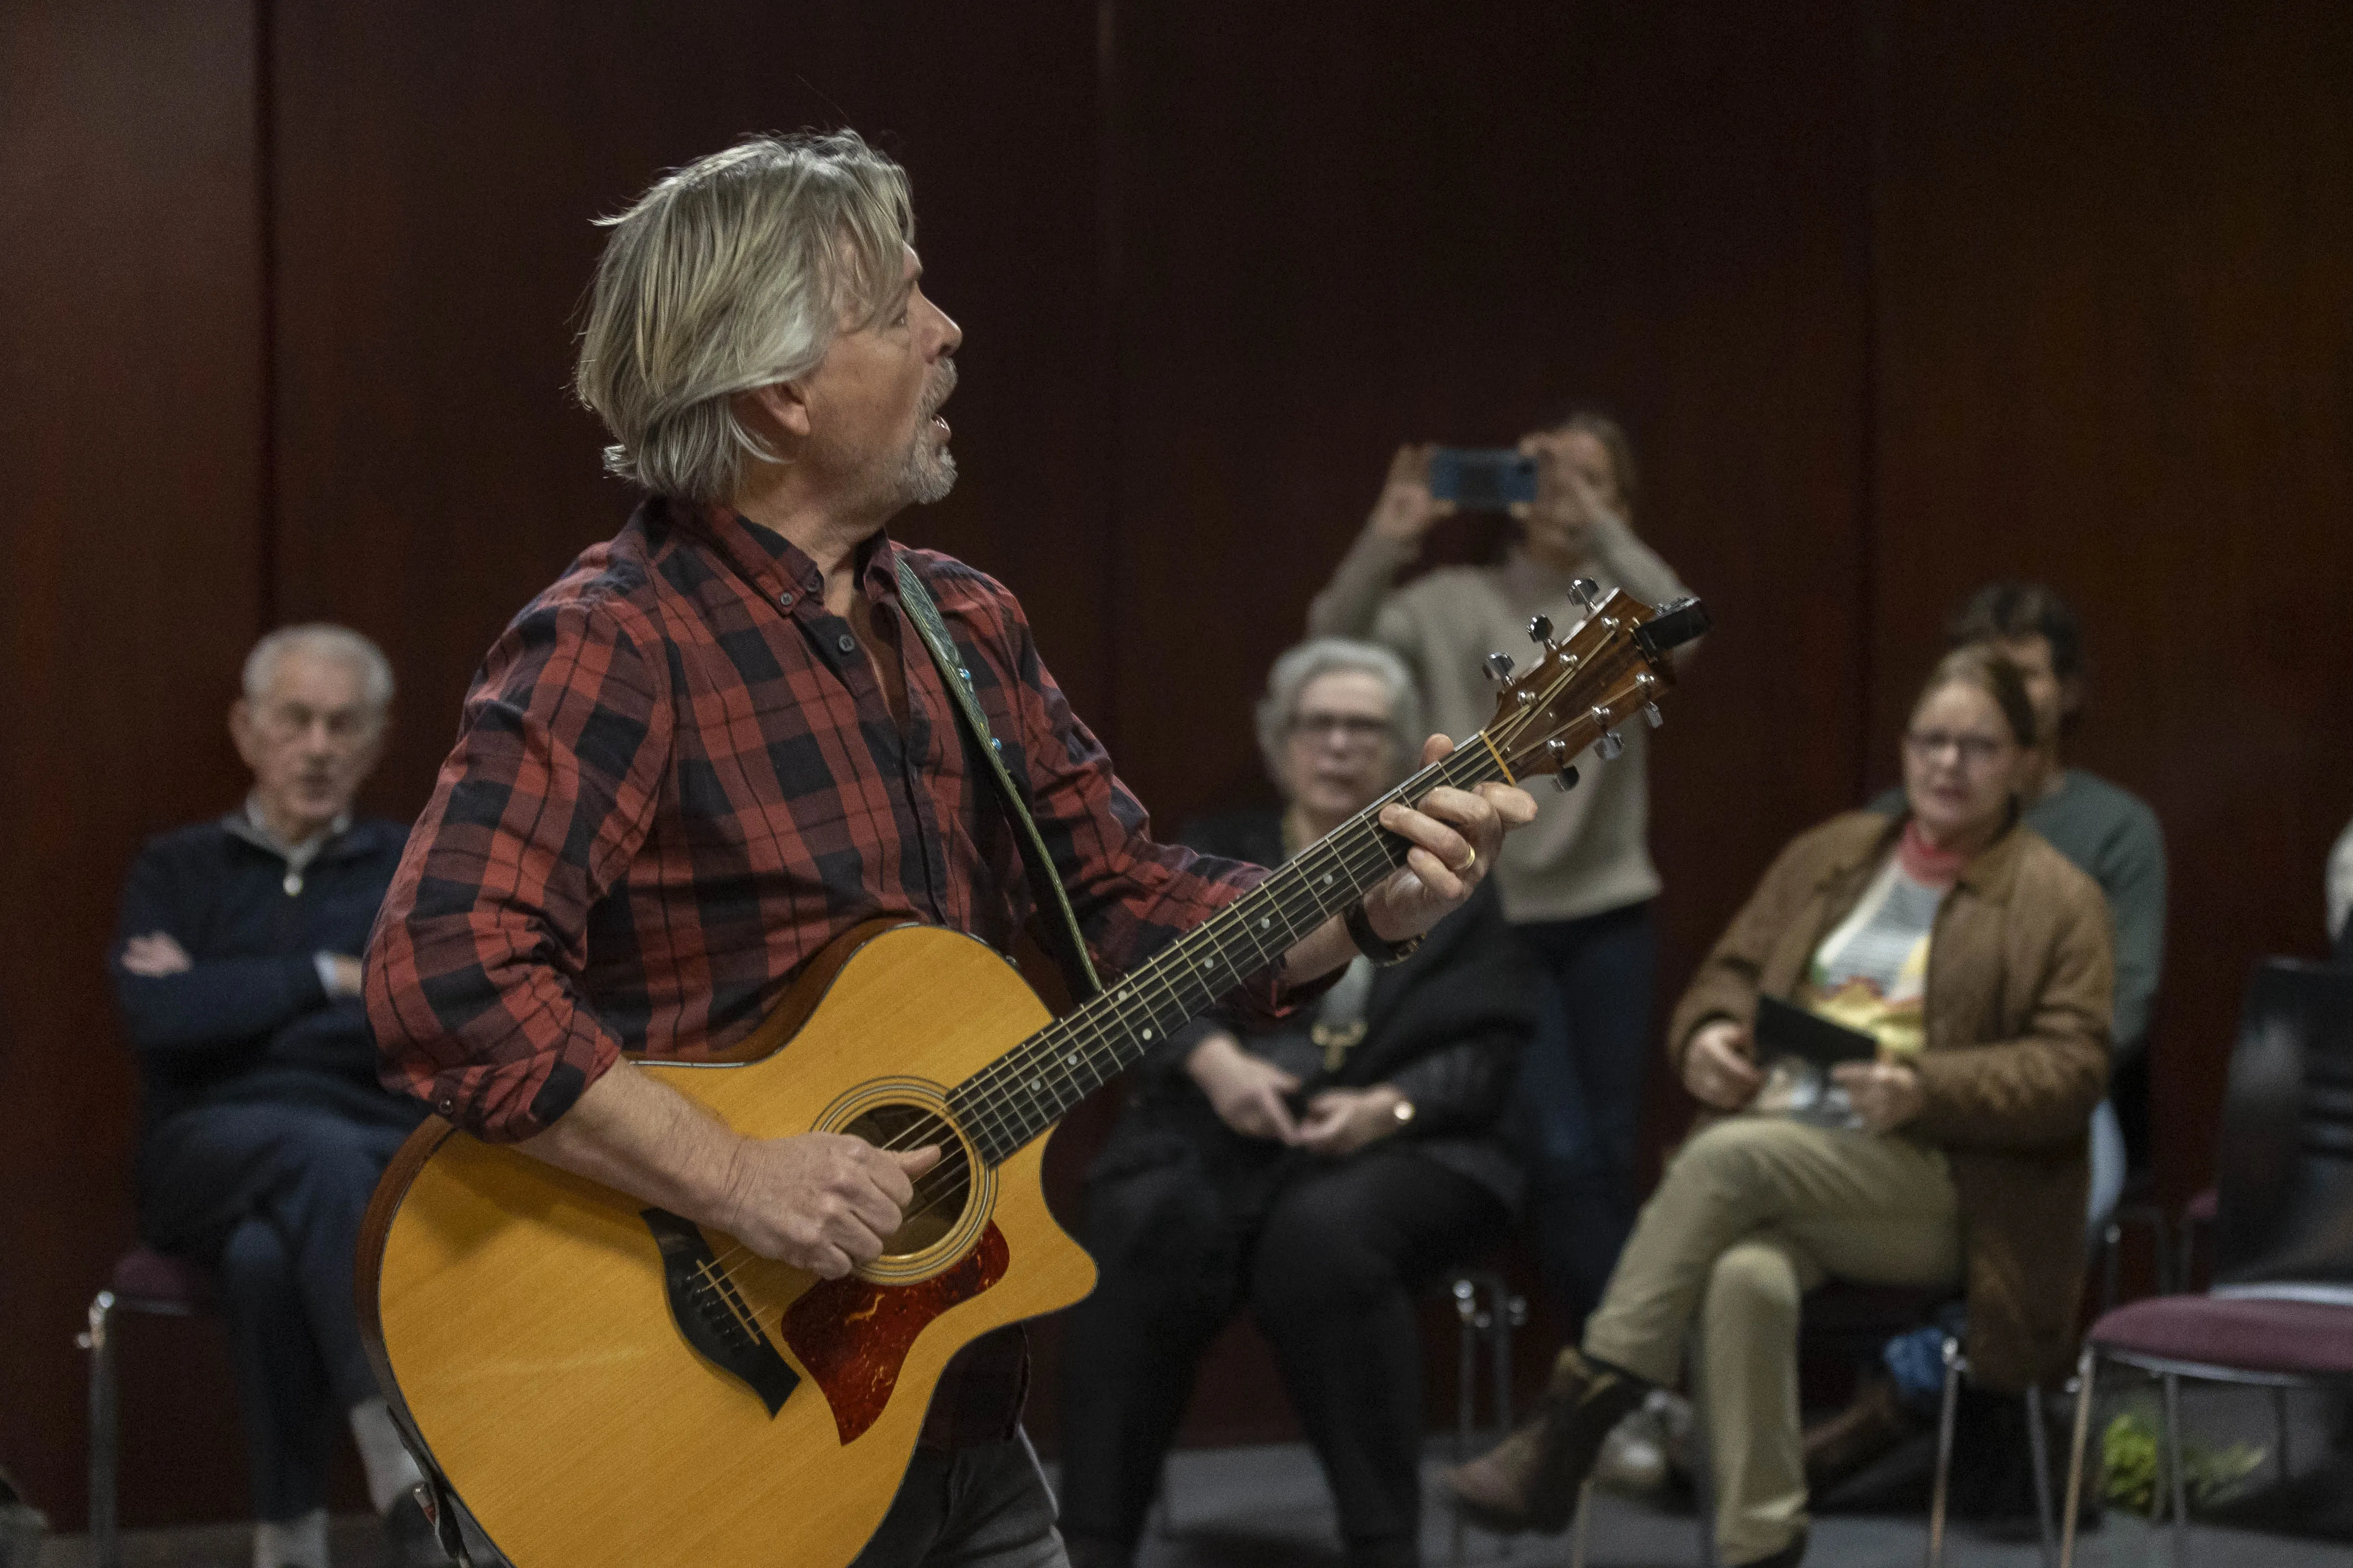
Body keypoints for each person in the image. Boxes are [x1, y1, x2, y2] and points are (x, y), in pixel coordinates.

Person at [363, 132, 1534, 1568]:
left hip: (945, 1404)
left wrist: (1368, 904)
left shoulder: (963, 621)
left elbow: (1126, 904)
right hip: (696, 1432)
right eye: (900, 304)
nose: (948, 330)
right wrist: (741, 1181)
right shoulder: (618, 641)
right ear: (784, 391)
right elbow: (445, 975)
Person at [1440, 647, 2113, 1568]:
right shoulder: (1832, 856)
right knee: (1741, 1280)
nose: (1949, 764)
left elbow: (2073, 1071)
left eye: (1979, 747)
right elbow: (1724, 983)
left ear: (2025, 762)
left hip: (1955, 1185)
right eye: (1931, 741)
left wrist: (1928, 1086)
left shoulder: (2059, 899)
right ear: (1906, 749)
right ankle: (1762, 1544)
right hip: (1794, 1151)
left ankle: (1576, 1423)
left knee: (1724, 1159)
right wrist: (1708, 1040)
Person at [1055, 640, 1538, 1568]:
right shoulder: (1212, 852)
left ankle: (1384, 1545)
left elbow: (1489, 1048)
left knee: (1324, 1241)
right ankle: (1091, 1545)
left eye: (1365, 729)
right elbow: (1127, 984)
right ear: (1281, 745)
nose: (1340, 747)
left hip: (1398, 1145)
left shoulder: (1451, 875)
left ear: (1403, 749)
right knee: (1146, 1218)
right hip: (1218, 1125)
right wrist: (1212, 1061)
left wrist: (1386, 1109)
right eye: (1320, 725)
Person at [1308, 417, 1694, 1324]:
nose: (1559, 490)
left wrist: (1599, 527)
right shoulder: (1452, 600)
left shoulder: (1620, 607)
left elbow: (1685, 626)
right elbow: (1332, 645)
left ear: (1623, 505)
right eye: (1542, 474)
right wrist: (1389, 537)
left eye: (1588, 477)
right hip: (1495, 914)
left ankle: (1624, 1389)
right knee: (1559, 1154)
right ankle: (1633, 1387)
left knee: (1608, 1147)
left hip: (1608, 912)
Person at [1803, 581, 2167, 1494]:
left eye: (2030, 674)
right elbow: (1840, 975)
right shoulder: (1899, 814)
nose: (2005, 690)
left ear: (2068, 695)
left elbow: (2125, 1006)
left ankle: (1912, 1392)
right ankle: (1735, 1430)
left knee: (2074, 1199)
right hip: (1894, 1080)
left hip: (2053, 1093)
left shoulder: (2112, 830)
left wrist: (1984, 1082)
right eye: (1986, 670)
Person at [111, 626, 434, 1568]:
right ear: (249, 732)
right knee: (308, 1156)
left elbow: (411, 1017)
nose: (320, 746)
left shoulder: (407, 869)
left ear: (375, 743)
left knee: (264, 1255)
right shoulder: (176, 870)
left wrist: (225, 992)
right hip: (201, 1156)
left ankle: (286, 1545)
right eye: (297, 720)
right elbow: (157, 1019)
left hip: (368, 1148)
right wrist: (329, 976)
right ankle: (402, 1465)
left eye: (345, 725)